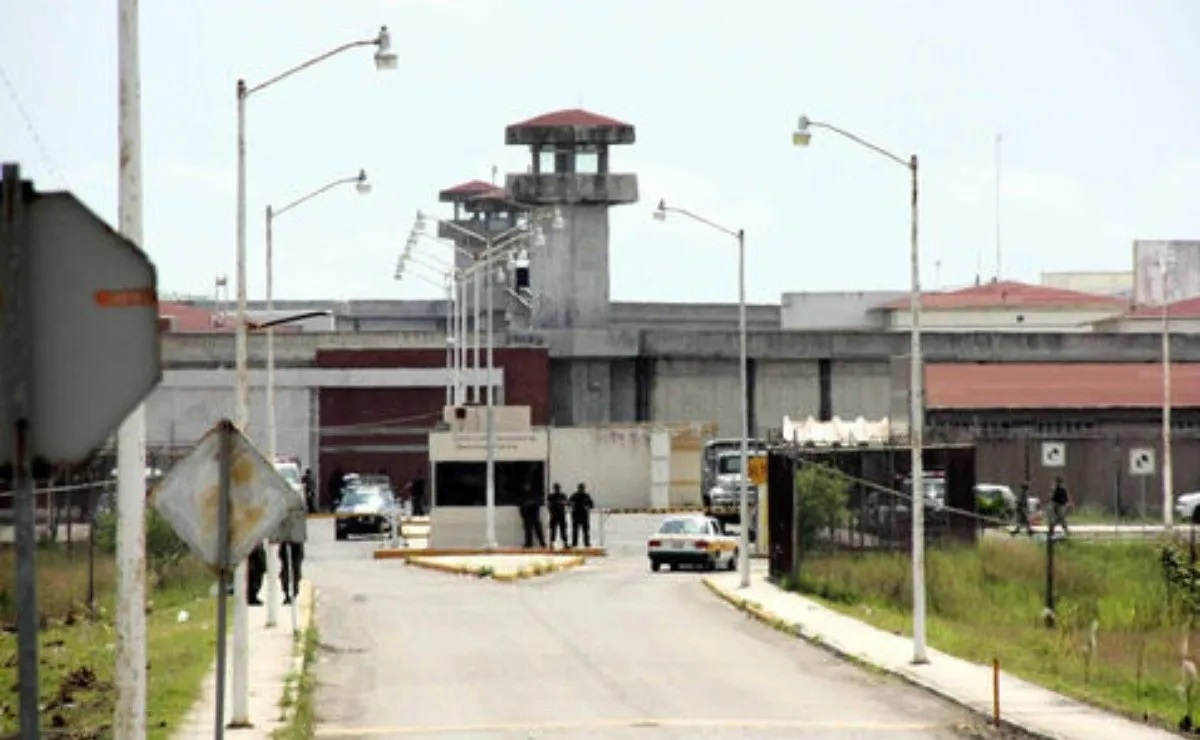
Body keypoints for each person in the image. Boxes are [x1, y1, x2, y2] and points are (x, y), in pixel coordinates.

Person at [519, 483, 546, 548]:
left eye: (527, 486)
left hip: (535, 515)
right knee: (528, 531)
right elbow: (521, 506)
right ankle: (528, 544)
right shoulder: (523, 496)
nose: (526, 487)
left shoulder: (534, 494)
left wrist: (529, 504)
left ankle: (542, 543)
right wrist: (523, 515)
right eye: (525, 486)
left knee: (538, 530)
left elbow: (537, 503)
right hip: (527, 516)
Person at [569, 483, 595, 548]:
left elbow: (592, 505)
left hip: (584, 516)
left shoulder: (587, 496)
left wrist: (587, 506)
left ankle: (586, 543)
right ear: (578, 488)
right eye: (580, 488)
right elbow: (568, 503)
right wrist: (572, 505)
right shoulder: (574, 496)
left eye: (582, 488)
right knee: (575, 531)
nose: (581, 489)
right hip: (576, 516)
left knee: (585, 531)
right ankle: (574, 544)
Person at [546, 483, 569, 548]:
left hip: (561, 515)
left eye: (558, 488)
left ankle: (565, 543)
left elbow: (567, 503)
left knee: (563, 530)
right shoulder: (551, 496)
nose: (557, 489)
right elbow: (549, 505)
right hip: (554, 515)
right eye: (556, 488)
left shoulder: (563, 495)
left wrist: (562, 503)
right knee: (553, 530)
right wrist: (551, 511)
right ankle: (551, 543)